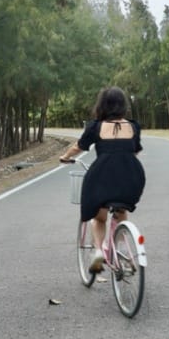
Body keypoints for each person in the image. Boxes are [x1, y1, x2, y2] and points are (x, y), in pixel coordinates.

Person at [60, 86, 145, 273]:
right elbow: (135, 150)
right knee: (121, 207)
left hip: (102, 177)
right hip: (132, 177)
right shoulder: (133, 126)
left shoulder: (96, 127)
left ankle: (99, 252)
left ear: (102, 105)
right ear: (123, 105)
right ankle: (121, 248)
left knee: (99, 218)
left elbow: (78, 147)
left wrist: (65, 157)